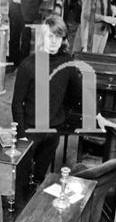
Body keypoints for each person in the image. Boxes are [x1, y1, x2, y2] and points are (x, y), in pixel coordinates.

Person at [12, 13, 82, 184]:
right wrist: (21, 134)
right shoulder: (28, 65)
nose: (53, 41)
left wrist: (60, 114)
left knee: (39, 177)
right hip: (30, 131)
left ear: (64, 39)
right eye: (50, 36)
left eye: (58, 37)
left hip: (53, 131)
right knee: (21, 177)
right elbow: (16, 104)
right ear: (43, 37)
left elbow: (76, 95)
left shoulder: (67, 64)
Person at [8, 0, 46, 67]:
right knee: (13, 37)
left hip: (27, 11)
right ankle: (13, 62)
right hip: (14, 7)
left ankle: (23, 64)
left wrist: (33, 6)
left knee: (25, 38)